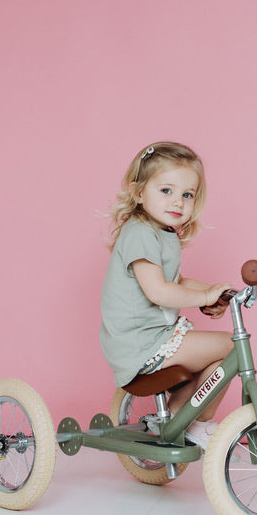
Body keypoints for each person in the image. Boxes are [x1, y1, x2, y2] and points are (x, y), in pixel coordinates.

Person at [100, 142, 234, 449]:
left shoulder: (162, 231)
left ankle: (179, 415)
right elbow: (159, 291)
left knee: (223, 357)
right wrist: (203, 297)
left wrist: (213, 293)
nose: (178, 202)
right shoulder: (140, 233)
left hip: (154, 336)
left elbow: (176, 280)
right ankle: (196, 424)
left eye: (187, 194)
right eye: (166, 191)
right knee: (230, 344)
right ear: (138, 193)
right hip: (139, 343)